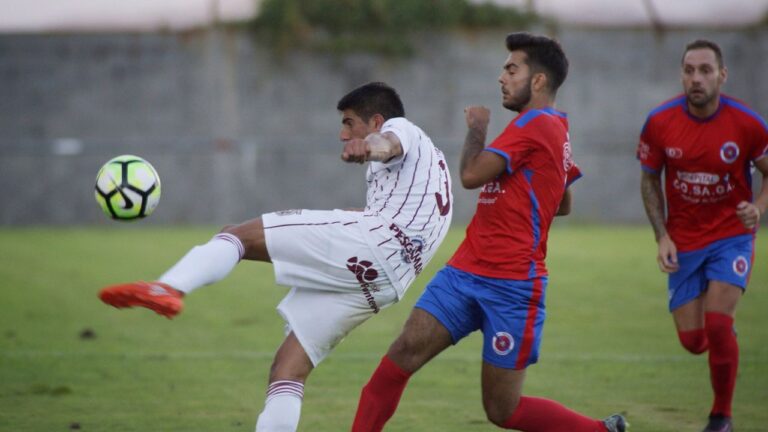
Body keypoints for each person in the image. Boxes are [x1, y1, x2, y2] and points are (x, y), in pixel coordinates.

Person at [98, 81, 454, 432]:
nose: (343, 135)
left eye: (348, 123)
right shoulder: (430, 164)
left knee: (236, 235)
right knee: (288, 368)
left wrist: (370, 146)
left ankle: (168, 287)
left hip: (374, 245)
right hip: (388, 281)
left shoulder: (399, 129)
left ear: (376, 121)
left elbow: (387, 143)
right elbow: (391, 209)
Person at [351, 32, 626, 432]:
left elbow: (469, 175)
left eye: (512, 69)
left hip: (513, 287)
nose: (502, 77)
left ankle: (601, 431)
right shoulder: (553, 127)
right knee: (398, 360)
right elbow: (563, 203)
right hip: (465, 273)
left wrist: (477, 127)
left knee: (503, 411)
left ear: (538, 81)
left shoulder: (533, 126)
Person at [638, 39, 768, 432]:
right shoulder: (660, 122)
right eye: (689, 70)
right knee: (694, 342)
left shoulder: (747, 124)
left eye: (705, 70)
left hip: (731, 236)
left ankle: (721, 417)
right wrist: (662, 236)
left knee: (717, 324)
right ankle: (724, 336)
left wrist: (758, 209)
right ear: (682, 75)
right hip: (684, 239)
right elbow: (649, 180)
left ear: (721, 76)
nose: (696, 78)